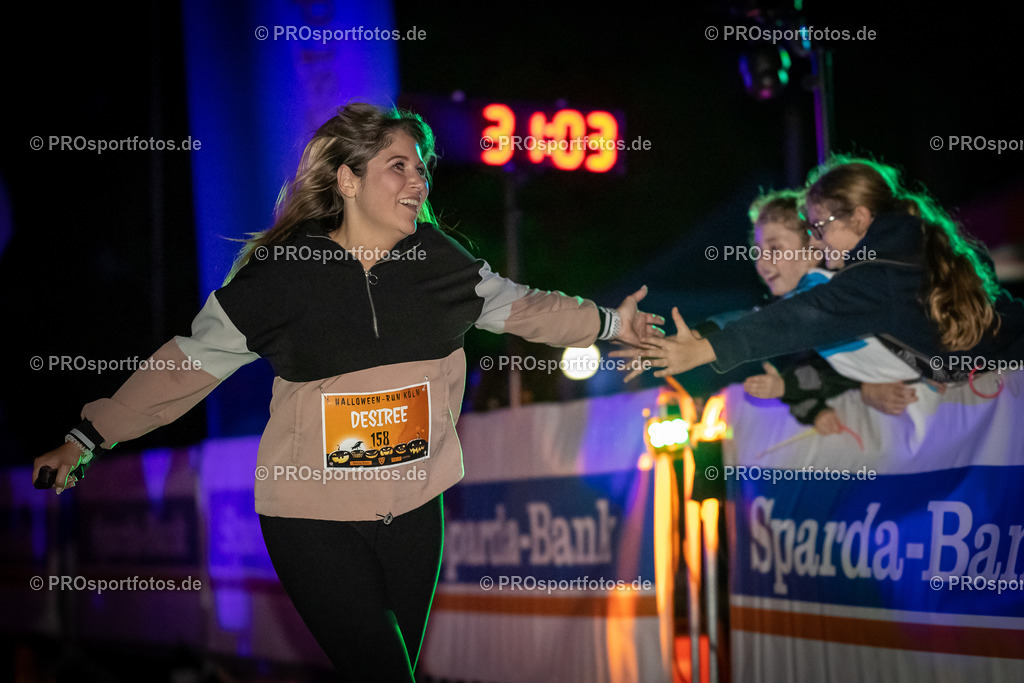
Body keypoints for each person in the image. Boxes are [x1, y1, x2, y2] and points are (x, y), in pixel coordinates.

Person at [32, 102, 664, 681]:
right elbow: (186, 365)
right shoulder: (279, 278)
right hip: (311, 520)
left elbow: (529, 310)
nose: (419, 181)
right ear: (347, 179)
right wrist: (87, 436)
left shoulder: (439, 265)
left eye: (422, 168)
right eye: (398, 166)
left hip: (416, 513)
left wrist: (612, 323)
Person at [624, 157, 1024, 386]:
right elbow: (777, 319)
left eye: (819, 226)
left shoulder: (879, 275)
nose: (816, 241)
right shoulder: (899, 259)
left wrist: (707, 348)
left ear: (862, 217)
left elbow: (805, 316)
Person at [732, 189, 921, 433]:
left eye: (775, 249)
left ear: (811, 249)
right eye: (757, 252)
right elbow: (830, 371)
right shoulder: (808, 306)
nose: (762, 263)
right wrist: (811, 405)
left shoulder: (833, 291)